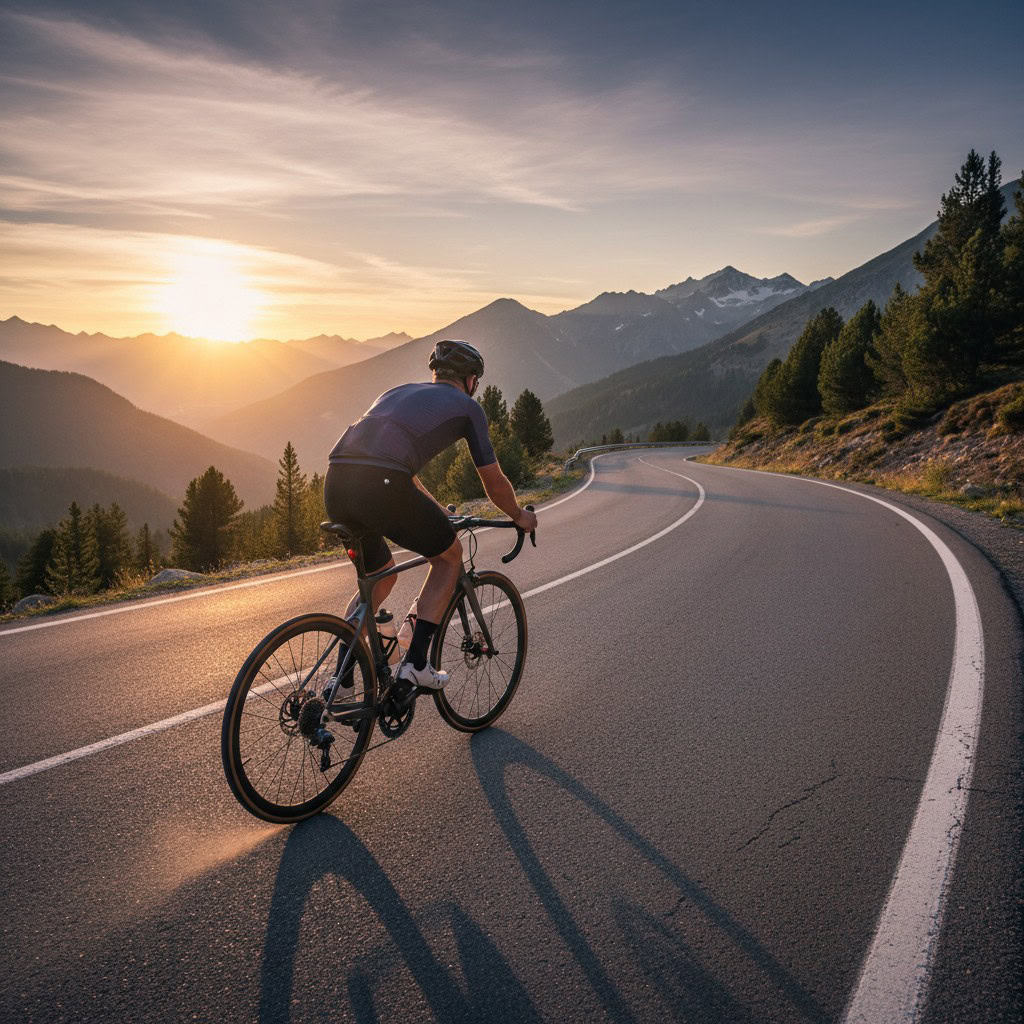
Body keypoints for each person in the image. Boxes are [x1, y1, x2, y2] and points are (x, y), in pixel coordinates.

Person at [324, 339, 539, 691]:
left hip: (336, 481)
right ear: (471, 380)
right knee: (449, 556)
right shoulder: (468, 408)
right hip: (382, 483)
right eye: (477, 380)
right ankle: (417, 665)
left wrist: (438, 512)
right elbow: (494, 482)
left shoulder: (397, 391)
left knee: (379, 574)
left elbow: (396, 468)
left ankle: (340, 679)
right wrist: (519, 515)